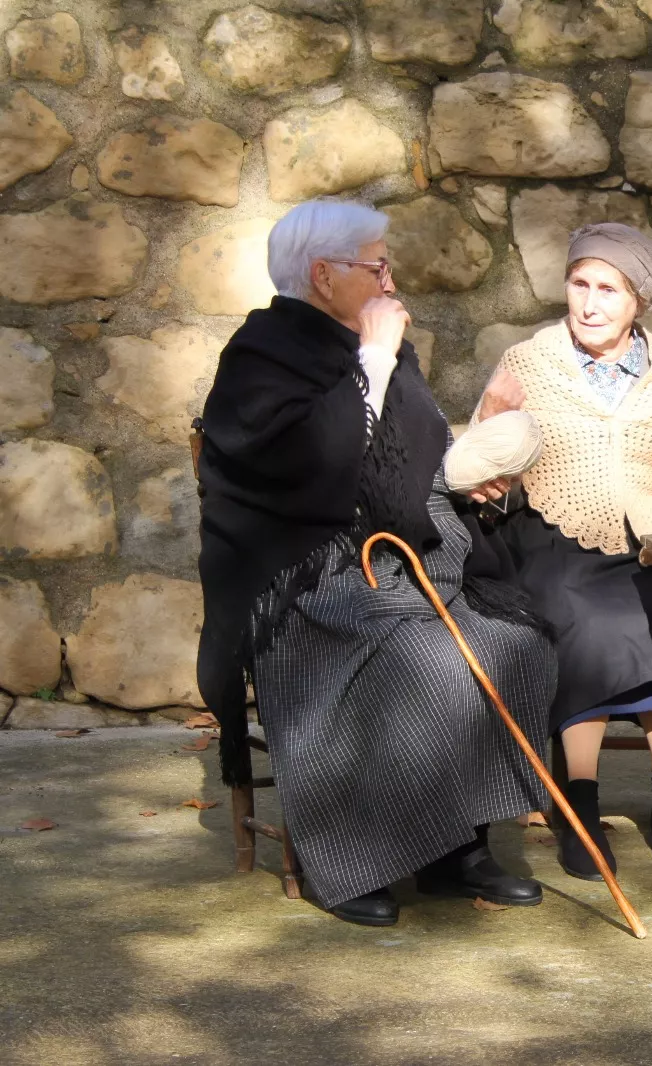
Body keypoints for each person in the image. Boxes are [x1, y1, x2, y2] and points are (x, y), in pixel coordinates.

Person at [196, 200, 557, 927]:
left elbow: (411, 449)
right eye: (377, 266)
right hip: (305, 572)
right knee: (421, 657)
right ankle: (356, 857)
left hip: (400, 555)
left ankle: (457, 846)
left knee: (514, 642)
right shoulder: (262, 352)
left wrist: (462, 476)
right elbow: (316, 459)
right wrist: (375, 360)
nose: (390, 281)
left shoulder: (383, 345)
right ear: (324, 276)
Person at [473, 223, 652, 881]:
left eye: (608, 289)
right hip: (551, 540)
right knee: (583, 621)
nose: (589, 304)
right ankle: (579, 809)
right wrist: (488, 420)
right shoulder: (528, 362)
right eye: (579, 284)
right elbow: (479, 475)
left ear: (639, 299)